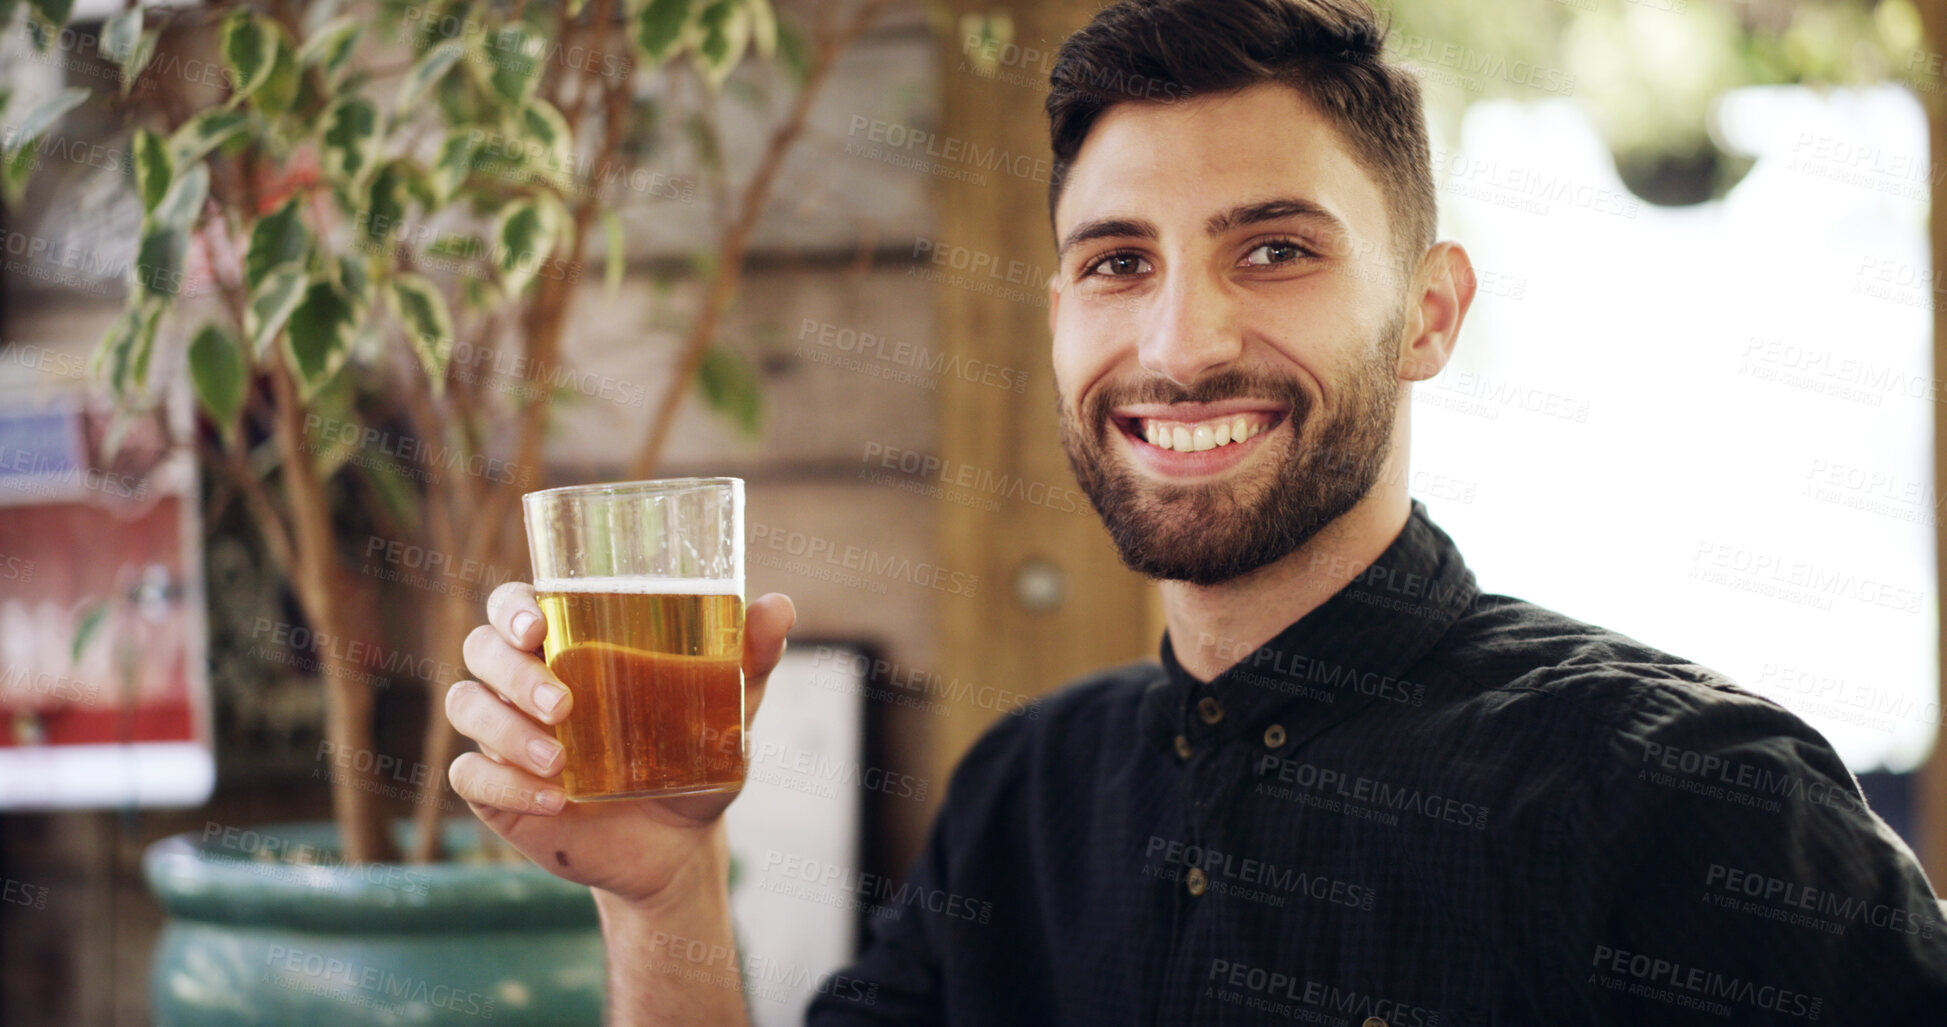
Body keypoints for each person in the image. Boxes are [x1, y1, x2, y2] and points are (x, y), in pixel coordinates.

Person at [445, 0, 1947, 1022]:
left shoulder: (1701, 805)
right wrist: (661, 892)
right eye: (1116, 263)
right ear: (1054, 319)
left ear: (1429, 314)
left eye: (1276, 249)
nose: (1177, 344)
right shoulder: (1018, 803)